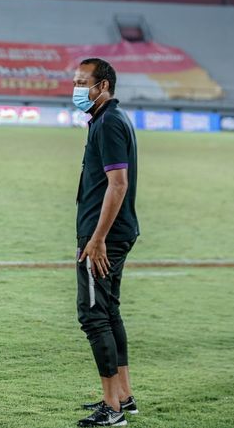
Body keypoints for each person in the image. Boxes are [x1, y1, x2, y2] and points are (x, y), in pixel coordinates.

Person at [72, 59, 140, 427]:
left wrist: (96, 240)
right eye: (75, 81)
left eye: (83, 82)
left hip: (105, 237)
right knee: (109, 312)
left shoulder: (109, 123)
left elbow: (118, 184)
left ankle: (112, 409)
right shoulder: (105, 119)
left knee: (93, 315)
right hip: (112, 232)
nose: (77, 88)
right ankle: (123, 397)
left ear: (104, 86)